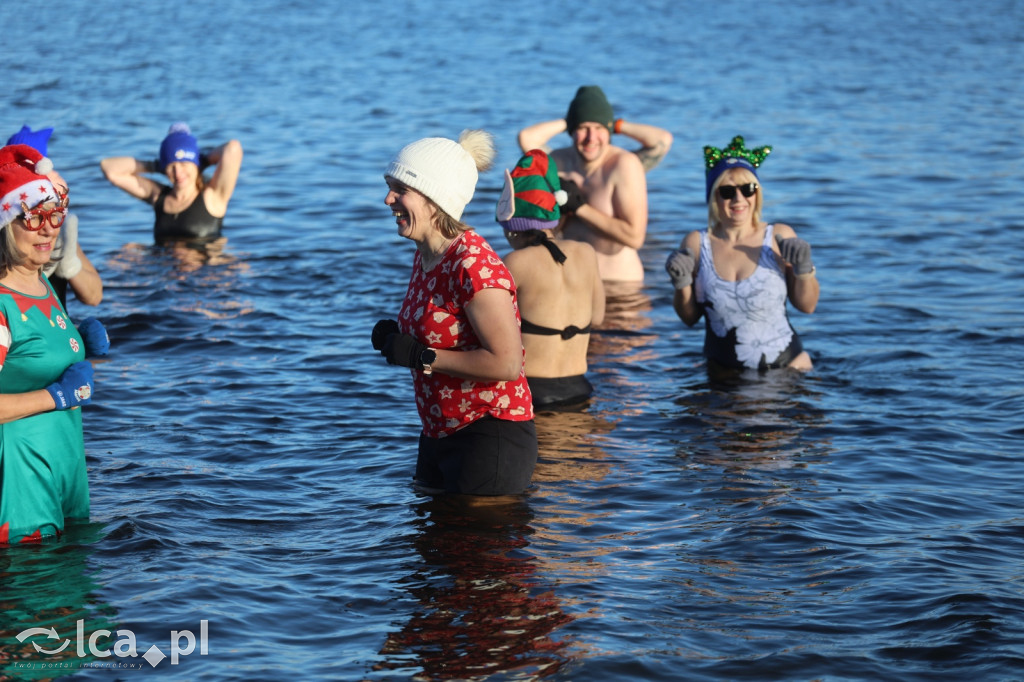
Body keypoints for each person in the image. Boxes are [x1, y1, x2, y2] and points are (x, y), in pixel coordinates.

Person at [373, 129, 537, 496]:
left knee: (477, 553)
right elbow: (446, 332)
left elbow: (507, 364)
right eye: (389, 186)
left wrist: (421, 356)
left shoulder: (474, 265)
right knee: (430, 549)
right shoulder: (428, 255)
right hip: (439, 430)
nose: (388, 199)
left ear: (434, 198)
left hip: (488, 433)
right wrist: (397, 338)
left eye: (400, 189)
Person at [0, 144, 108, 545]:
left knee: (79, 597)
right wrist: (55, 397)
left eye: (55, 215)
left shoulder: (39, 278)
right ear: (6, 224)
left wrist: (78, 340)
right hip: (21, 481)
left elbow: (27, 356)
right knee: (35, 598)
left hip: (64, 468)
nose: (49, 228)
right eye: (34, 218)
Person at [666, 136, 819, 373]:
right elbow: (689, 318)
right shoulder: (696, 243)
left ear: (757, 194)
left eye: (748, 189)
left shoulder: (779, 236)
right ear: (714, 197)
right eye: (727, 191)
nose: (739, 199)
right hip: (722, 377)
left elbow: (807, 306)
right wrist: (681, 283)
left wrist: (804, 269)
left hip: (788, 372)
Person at [517, 85, 673, 282]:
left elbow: (635, 237)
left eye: (599, 128)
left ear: (608, 131)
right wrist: (571, 119)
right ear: (572, 131)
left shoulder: (623, 165)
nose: (591, 138)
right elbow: (526, 138)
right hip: (572, 283)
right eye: (583, 128)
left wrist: (580, 208)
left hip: (620, 287)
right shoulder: (558, 162)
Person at [495, 149, 605, 409]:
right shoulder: (586, 253)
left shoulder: (515, 262)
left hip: (532, 391)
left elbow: (492, 330)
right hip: (580, 387)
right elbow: (598, 318)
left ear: (513, 230)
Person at [6, 126, 103, 309]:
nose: (47, 229)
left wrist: (70, 262)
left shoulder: (56, 226)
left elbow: (94, 296)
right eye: (33, 216)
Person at [100, 123, 243, 245]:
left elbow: (233, 149)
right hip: (164, 272)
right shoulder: (158, 196)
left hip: (202, 273)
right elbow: (109, 168)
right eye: (171, 166)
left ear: (195, 164)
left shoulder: (214, 197)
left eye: (184, 164)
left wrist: (203, 161)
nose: (178, 172)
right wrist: (155, 166)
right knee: (129, 249)